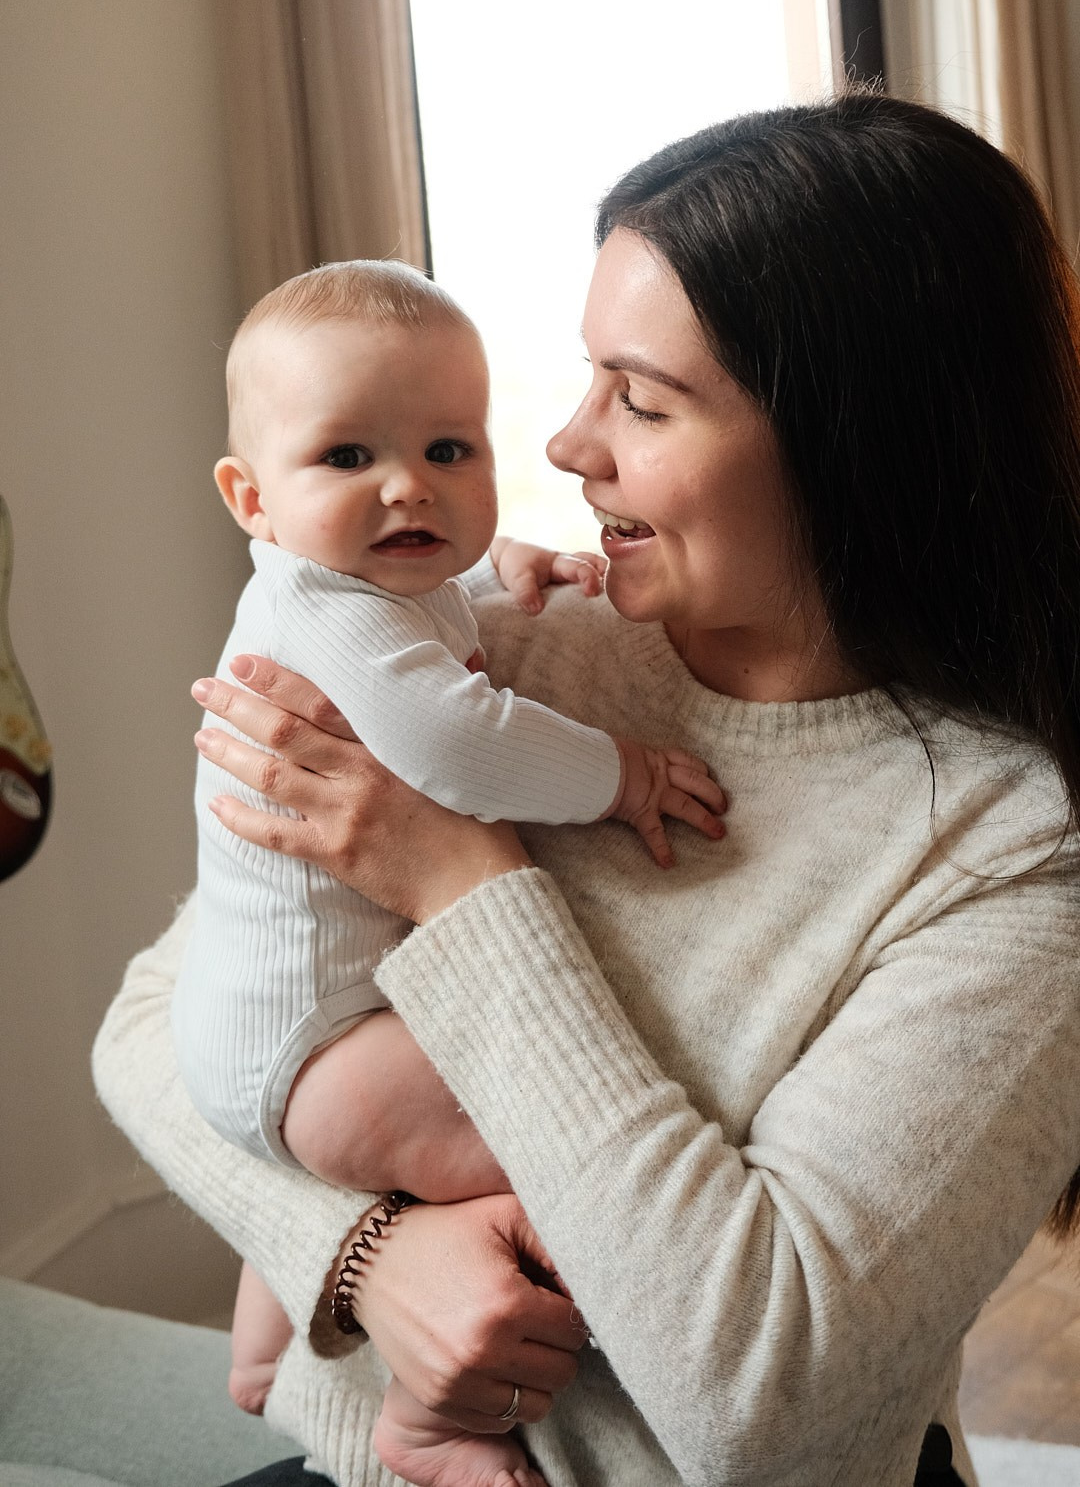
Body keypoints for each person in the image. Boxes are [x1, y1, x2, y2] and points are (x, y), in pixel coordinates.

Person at [93, 92, 1080, 1487]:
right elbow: (155, 1022)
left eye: (644, 398)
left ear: (856, 444)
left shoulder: (1013, 854)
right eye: (584, 377)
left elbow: (762, 1401)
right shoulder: (507, 649)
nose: (564, 446)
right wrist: (366, 1255)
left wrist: (460, 878)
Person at [171, 258, 725, 1483]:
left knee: (453, 1148)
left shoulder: (352, 586)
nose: (407, 487)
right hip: (322, 1041)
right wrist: (622, 775)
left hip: (262, 1024)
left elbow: (423, 627)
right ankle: (425, 1424)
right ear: (250, 497)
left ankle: (266, 1343)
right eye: (347, 458)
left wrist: (492, 574)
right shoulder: (335, 615)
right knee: (566, 1157)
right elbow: (452, 740)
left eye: (449, 450)